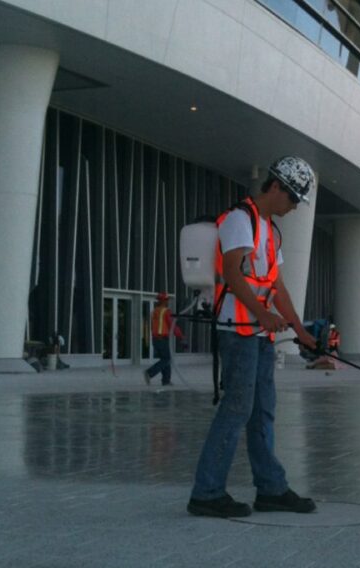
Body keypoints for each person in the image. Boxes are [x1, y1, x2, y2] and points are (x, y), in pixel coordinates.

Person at [187, 156, 318, 519]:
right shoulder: (239, 220)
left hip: (259, 335)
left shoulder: (271, 231)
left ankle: (271, 489)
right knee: (237, 409)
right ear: (275, 186)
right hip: (238, 332)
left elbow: (277, 288)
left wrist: (301, 330)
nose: (293, 207)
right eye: (292, 198)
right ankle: (207, 493)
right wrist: (262, 314)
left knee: (262, 411)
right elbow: (231, 272)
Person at [144, 292, 184, 386]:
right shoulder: (166, 311)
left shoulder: (154, 311)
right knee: (166, 359)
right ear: (163, 301)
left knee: (165, 359)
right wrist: (181, 337)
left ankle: (166, 381)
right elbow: (172, 325)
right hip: (162, 339)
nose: (167, 302)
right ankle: (150, 373)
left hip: (156, 339)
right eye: (166, 300)